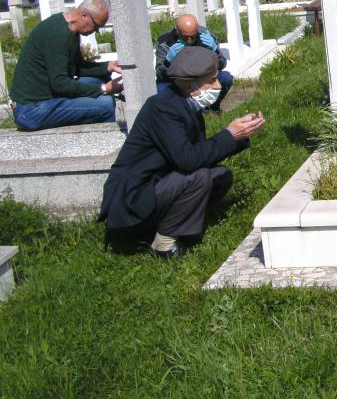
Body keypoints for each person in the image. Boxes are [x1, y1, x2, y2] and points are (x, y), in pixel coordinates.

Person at [100, 47, 264, 259]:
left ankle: (174, 225)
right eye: (211, 81)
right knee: (200, 177)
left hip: (158, 182)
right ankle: (164, 243)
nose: (218, 85)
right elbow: (189, 160)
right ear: (189, 85)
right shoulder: (164, 108)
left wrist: (237, 136)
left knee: (220, 176)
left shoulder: (185, 104)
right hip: (133, 197)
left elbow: (197, 154)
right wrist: (230, 135)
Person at [10, 0, 122, 131]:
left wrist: (107, 67)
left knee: (97, 80)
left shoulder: (71, 29)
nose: (96, 31)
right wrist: (103, 89)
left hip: (46, 97)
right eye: (96, 26)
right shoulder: (56, 34)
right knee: (106, 105)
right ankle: (104, 140)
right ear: (84, 15)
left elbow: (76, 68)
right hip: (30, 109)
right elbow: (60, 84)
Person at [155, 13, 232, 113]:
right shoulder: (164, 42)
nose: (189, 40)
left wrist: (215, 51)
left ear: (197, 29)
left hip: (202, 76)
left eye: (193, 36)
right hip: (178, 79)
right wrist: (167, 62)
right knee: (161, 89)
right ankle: (179, 112)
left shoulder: (207, 35)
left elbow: (222, 65)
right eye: (186, 37)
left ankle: (213, 107)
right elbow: (160, 75)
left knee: (226, 78)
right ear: (177, 31)